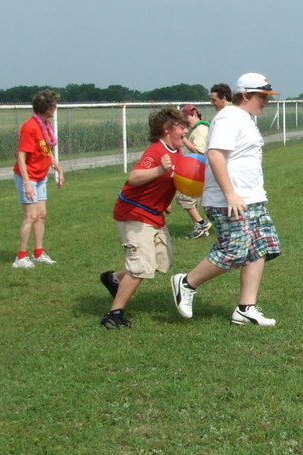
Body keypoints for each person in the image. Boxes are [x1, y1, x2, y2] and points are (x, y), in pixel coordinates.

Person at [171, 73, 282, 327]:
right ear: (245, 95)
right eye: (262, 96)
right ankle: (186, 283)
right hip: (229, 200)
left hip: (252, 198)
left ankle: (246, 309)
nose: (266, 101)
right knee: (233, 252)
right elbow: (215, 155)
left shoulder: (245, 119)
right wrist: (231, 193)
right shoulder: (229, 117)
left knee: (260, 248)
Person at [99, 108, 188, 329]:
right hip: (134, 213)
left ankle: (114, 279)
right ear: (167, 130)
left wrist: (165, 202)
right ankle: (114, 314)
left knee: (161, 261)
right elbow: (135, 177)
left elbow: (168, 181)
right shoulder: (156, 151)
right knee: (140, 267)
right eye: (181, 127)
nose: (186, 130)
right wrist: (159, 169)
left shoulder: (177, 151)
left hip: (154, 214)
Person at [12, 89, 64, 268]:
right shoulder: (30, 127)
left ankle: (38, 253)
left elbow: (46, 150)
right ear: (46, 107)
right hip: (28, 176)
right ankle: (21, 257)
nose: (55, 108)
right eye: (53, 105)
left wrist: (57, 168)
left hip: (41, 177)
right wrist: (27, 183)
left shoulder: (46, 125)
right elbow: (21, 157)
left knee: (41, 215)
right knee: (31, 216)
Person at [176, 104, 213, 239]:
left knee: (183, 195)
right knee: (192, 199)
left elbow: (198, 151)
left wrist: (183, 139)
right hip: (198, 169)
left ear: (195, 114)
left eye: (187, 117)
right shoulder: (199, 129)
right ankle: (199, 228)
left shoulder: (200, 129)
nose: (186, 121)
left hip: (198, 169)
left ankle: (202, 224)